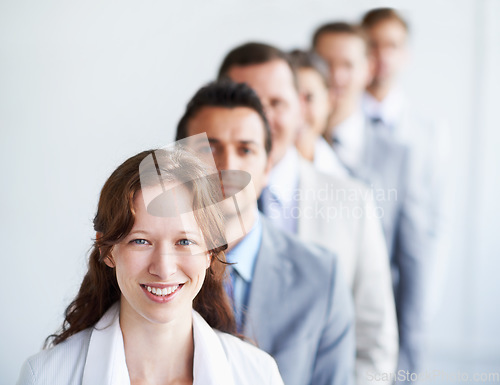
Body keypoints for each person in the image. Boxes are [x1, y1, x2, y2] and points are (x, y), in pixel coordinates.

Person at [17, 146, 284, 385]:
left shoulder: (258, 375)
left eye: (184, 242)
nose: (164, 268)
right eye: (141, 241)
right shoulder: (45, 376)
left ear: (210, 253)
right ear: (106, 249)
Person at [176, 80, 356, 385]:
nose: (228, 166)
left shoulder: (321, 275)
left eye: (245, 149)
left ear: (268, 166)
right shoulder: (150, 264)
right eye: (209, 148)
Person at [313, 21, 434, 378]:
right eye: (325, 63)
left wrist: (406, 369)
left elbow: (413, 268)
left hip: (367, 344)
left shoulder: (398, 157)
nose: (335, 76)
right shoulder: (286, 150)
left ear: (368, 69)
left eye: (347, 65)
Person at [288, 49, 348, 178]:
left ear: (330, 101)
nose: (298, 110)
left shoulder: (348, 178)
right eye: (289, 99)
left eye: (309, 98)